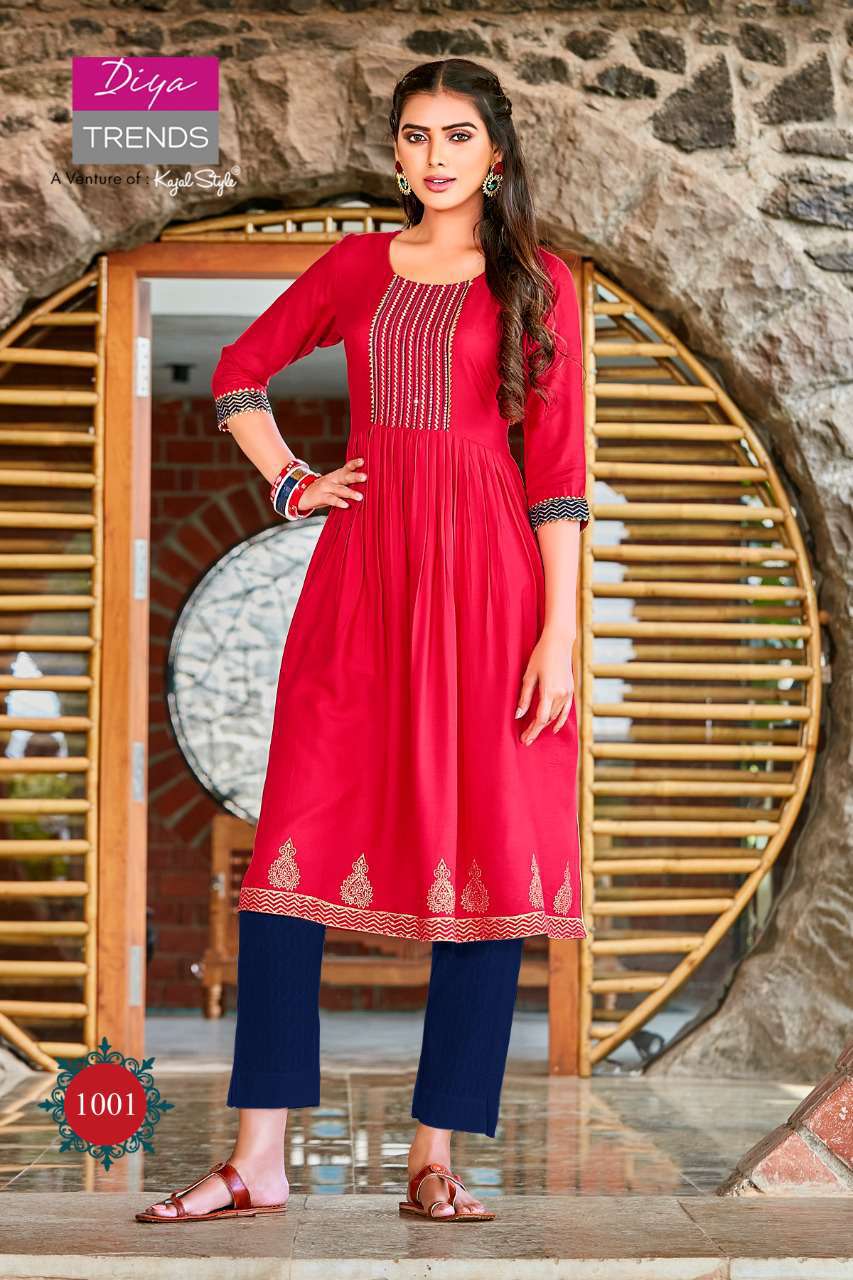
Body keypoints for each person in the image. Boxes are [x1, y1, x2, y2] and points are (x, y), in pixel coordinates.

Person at [136, 55, 589, 1227]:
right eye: (417, 135)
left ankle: (433, 1155)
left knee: (485, 861)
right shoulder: (353, 267)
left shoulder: (538, 284)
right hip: (360, 585)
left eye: (458, 135)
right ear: (395, 152)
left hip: (492, 592)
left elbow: (558, 477)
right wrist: (292, 481)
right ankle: (259, 1157)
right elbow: (240, 373)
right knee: (288, 856)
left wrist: (560, 633)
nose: (436, 155)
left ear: (496, 153)